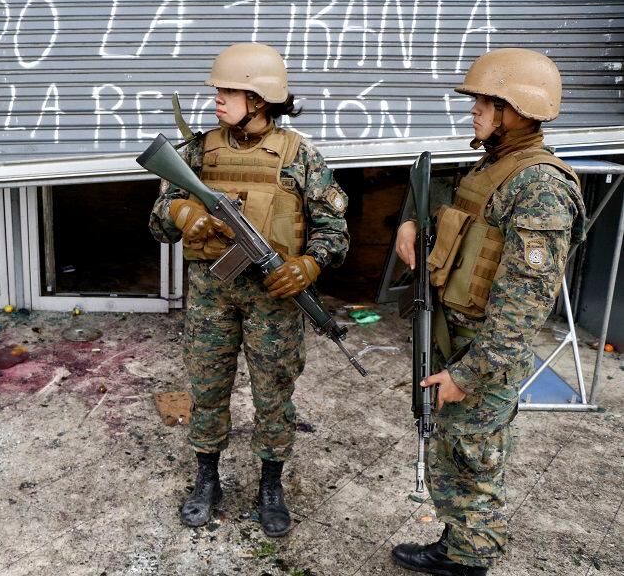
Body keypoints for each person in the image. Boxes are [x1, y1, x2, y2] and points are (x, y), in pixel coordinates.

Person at [391, 48, 586, 575]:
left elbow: (526, 305)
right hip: (456, 338)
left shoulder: (540, 186)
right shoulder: (495, 166)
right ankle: (457, 542)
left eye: (487, 101)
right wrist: (412, 222)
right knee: (454, 452)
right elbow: (462, 224)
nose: (474, 109)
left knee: (474, 459)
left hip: (483, 356)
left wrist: (468, 374)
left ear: (518, 109)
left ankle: (470, 558)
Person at [148, 42, 349, 537]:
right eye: (217, 91)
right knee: (207, 388)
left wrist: (309, 264)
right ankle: (207, 478)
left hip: (273, 302)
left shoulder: (301, 156)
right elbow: (158, 221)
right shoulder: (197, 152)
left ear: (258, 100)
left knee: (274, 393)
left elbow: (334, 231)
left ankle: (270, 485)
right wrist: (184, 212)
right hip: (211, 296)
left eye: (228, 92)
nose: (217, 99)